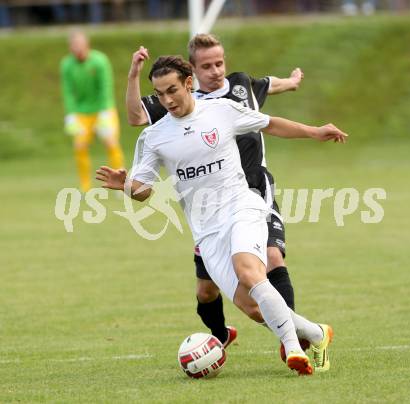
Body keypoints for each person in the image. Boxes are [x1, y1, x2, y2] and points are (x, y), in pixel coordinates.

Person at [97, 55, 347, 374]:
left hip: (242, 207)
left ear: (189, 83)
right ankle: (315, 332)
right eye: (160, 94)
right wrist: (125, 185)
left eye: (172, 89)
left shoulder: (221, 111)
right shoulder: (154, 137)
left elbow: (268, 123)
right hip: (207, 231)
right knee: (253, 307)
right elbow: (144, 191)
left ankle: (295, 348)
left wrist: (314, 131)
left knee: (249, 271)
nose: (167, 99)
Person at [126, 34, 307, 354]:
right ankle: (221, 334)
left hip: (251, 188)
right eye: (207, 65)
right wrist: (133, 75)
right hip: (206, 208)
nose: (216, 71)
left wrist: (291, 82)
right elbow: (136, 117)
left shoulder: (240, 87)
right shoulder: (175, 100)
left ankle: (291, 340)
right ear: (193, 72)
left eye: (219, 63)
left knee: (271, 258)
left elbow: (270, 86)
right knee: (206, 290)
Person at [61, 30, 124, 192]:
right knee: (80, 145)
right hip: (82, 112)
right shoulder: (66, 65)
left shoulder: (100, 61)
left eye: (80, 45)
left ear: (86, 44)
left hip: (103, 109)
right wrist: (71, 114)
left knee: (111, 142)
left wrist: (104, 111)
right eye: (74, 46)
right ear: (70, 48)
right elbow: (68, 91)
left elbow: (106, 86)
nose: (77, 49)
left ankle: (120, 181)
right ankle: (85, 186)